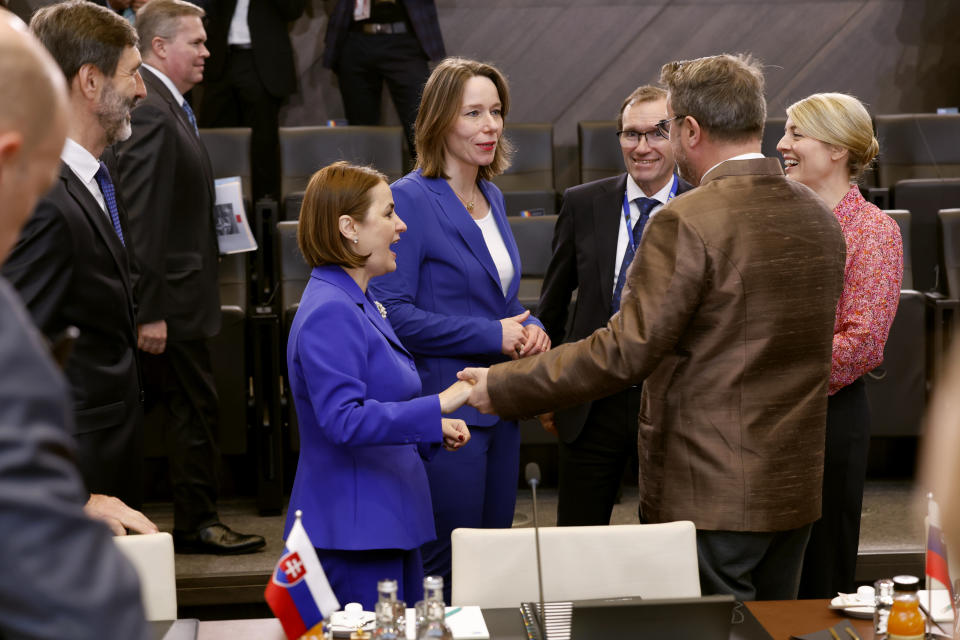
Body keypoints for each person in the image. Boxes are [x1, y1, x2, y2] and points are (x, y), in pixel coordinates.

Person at [460, 53, 848, 602]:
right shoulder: (819, 215)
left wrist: (502, 385)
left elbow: (625, 349)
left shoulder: (684, 220)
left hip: (711, 497)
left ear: (689, 130)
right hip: (793, 492)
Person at [368, 57, 550, 602]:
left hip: (499, 404)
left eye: (496, 112)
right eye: (473, 113)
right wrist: (492, 336)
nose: (490, 125)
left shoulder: (492, 196)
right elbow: (393, 314)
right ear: (441, 120)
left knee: (490, 562)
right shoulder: (411, 200)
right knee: (444, 567)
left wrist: (530, 325)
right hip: (446, 412)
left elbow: (498, 299)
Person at [0, 11, 148, 637]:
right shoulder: (48, 206)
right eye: (134, 73)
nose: (143, 89)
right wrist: (75, 498)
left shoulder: (87, 182)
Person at [284, 161, 472, 610]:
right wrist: (438, 406)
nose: (401, 225)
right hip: (356, 534)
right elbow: (343, 420)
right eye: (389, 214)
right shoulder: (332, 309)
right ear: (349, 227)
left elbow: (376, 399)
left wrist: (430, 426)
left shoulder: (357, 299)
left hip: (382, 522)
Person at [114, 0, 264, 554]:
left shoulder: (167, 104)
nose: (207, 51)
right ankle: (198, 521)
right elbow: (142, 215)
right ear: (159, 47)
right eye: (196, 42)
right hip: (170, 302)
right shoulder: (152, 109)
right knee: (192, 411)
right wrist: (149, 308)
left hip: (179, 295)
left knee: (196, 409)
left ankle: (197, 517)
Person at [537, 84, 693, 526]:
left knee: (670, 545)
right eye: (631, 134)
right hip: (591, 399)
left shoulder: (702, 204)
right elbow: (551, 307)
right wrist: (549, 388)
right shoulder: (583, 203)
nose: (642, 147)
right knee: (576, 543)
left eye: (657, 133)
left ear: (680, 136)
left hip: (671, 405)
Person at [777, 93, 903, 598]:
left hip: (828, 417)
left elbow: (863, 342)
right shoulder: (775, 217)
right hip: (765, 413)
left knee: (821, 570)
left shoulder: (874, 231)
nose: (781, 144)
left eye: (795, 134)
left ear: (836, 149)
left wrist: (773, 372)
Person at [198, 0, 306, 203]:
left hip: (262, 63)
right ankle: (216, 207)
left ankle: (264, 216)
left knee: (263, 146)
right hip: (221, 60)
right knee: (217, 140)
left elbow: (293, 9)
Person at [322, 0, 445, 155]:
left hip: (405, 38)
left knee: (420, 123)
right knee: (361, 129)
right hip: (355, 36)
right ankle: (367, 179)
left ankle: (426, 178)